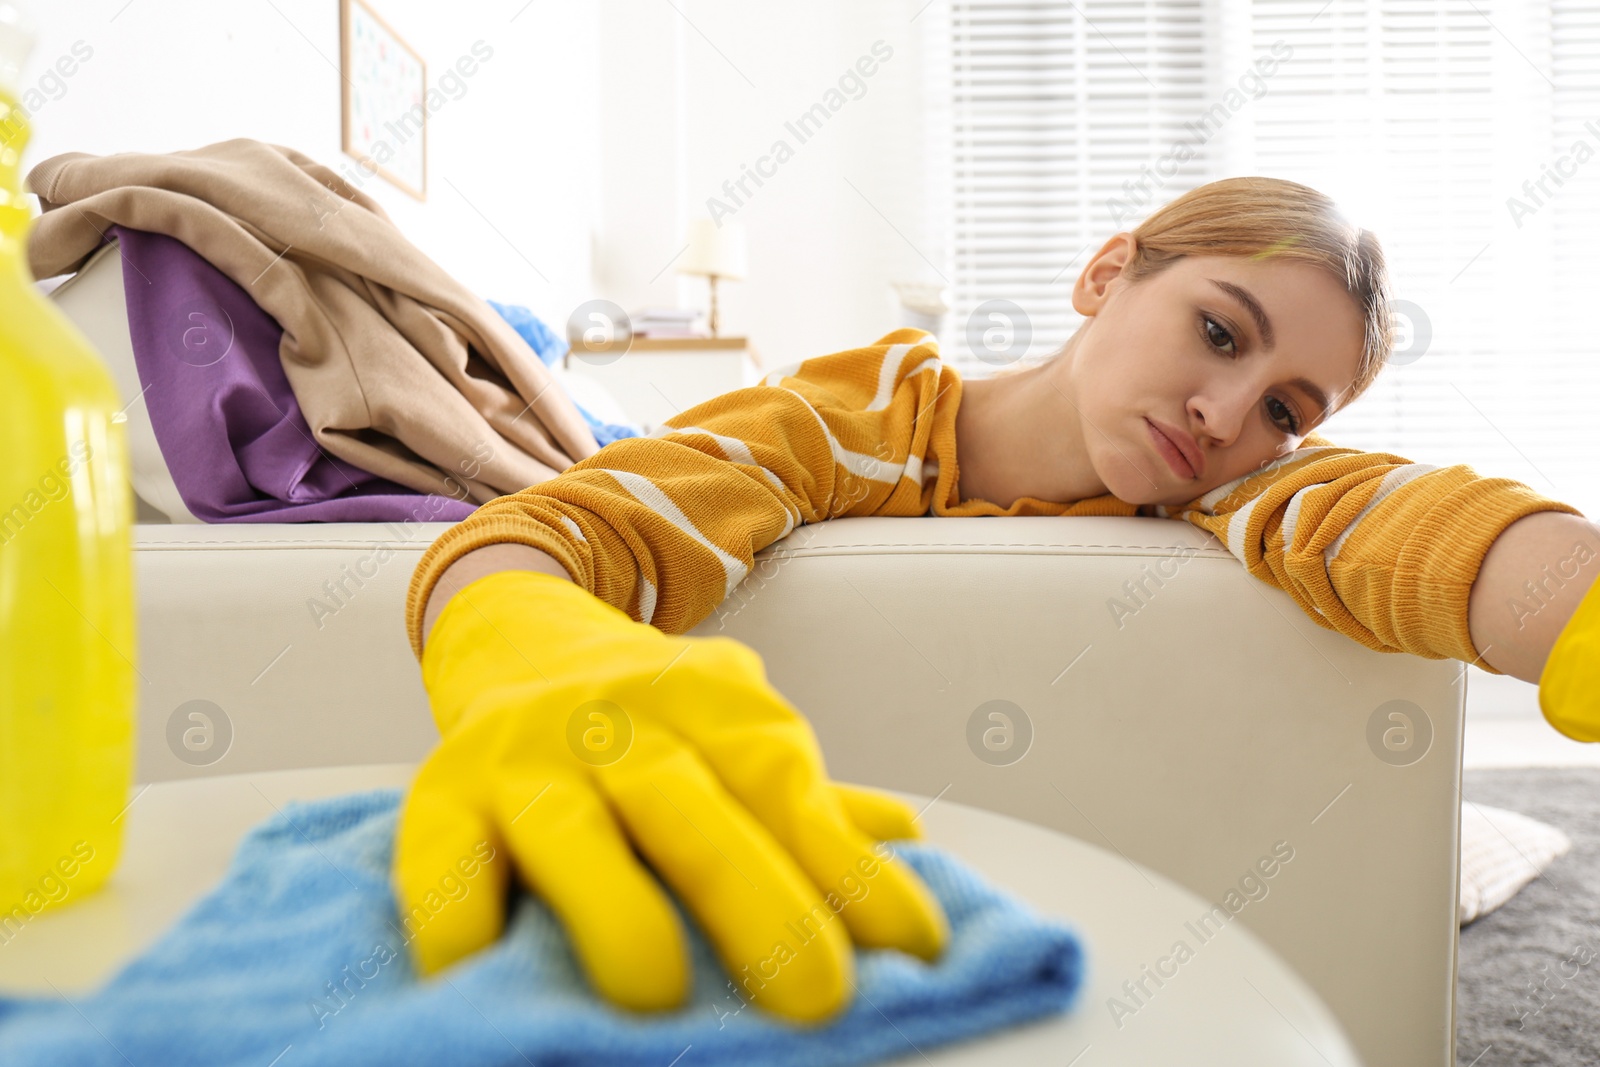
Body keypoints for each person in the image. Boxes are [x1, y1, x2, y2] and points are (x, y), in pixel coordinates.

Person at [393, 176, 1600, 1023]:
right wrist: (535, 659)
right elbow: (564, 527)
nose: (1229, 417)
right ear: (1105, 272)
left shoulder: (1225, 498)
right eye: (1219, 332)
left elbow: (1399, 520)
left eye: (1287, 406)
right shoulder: (844, 422)